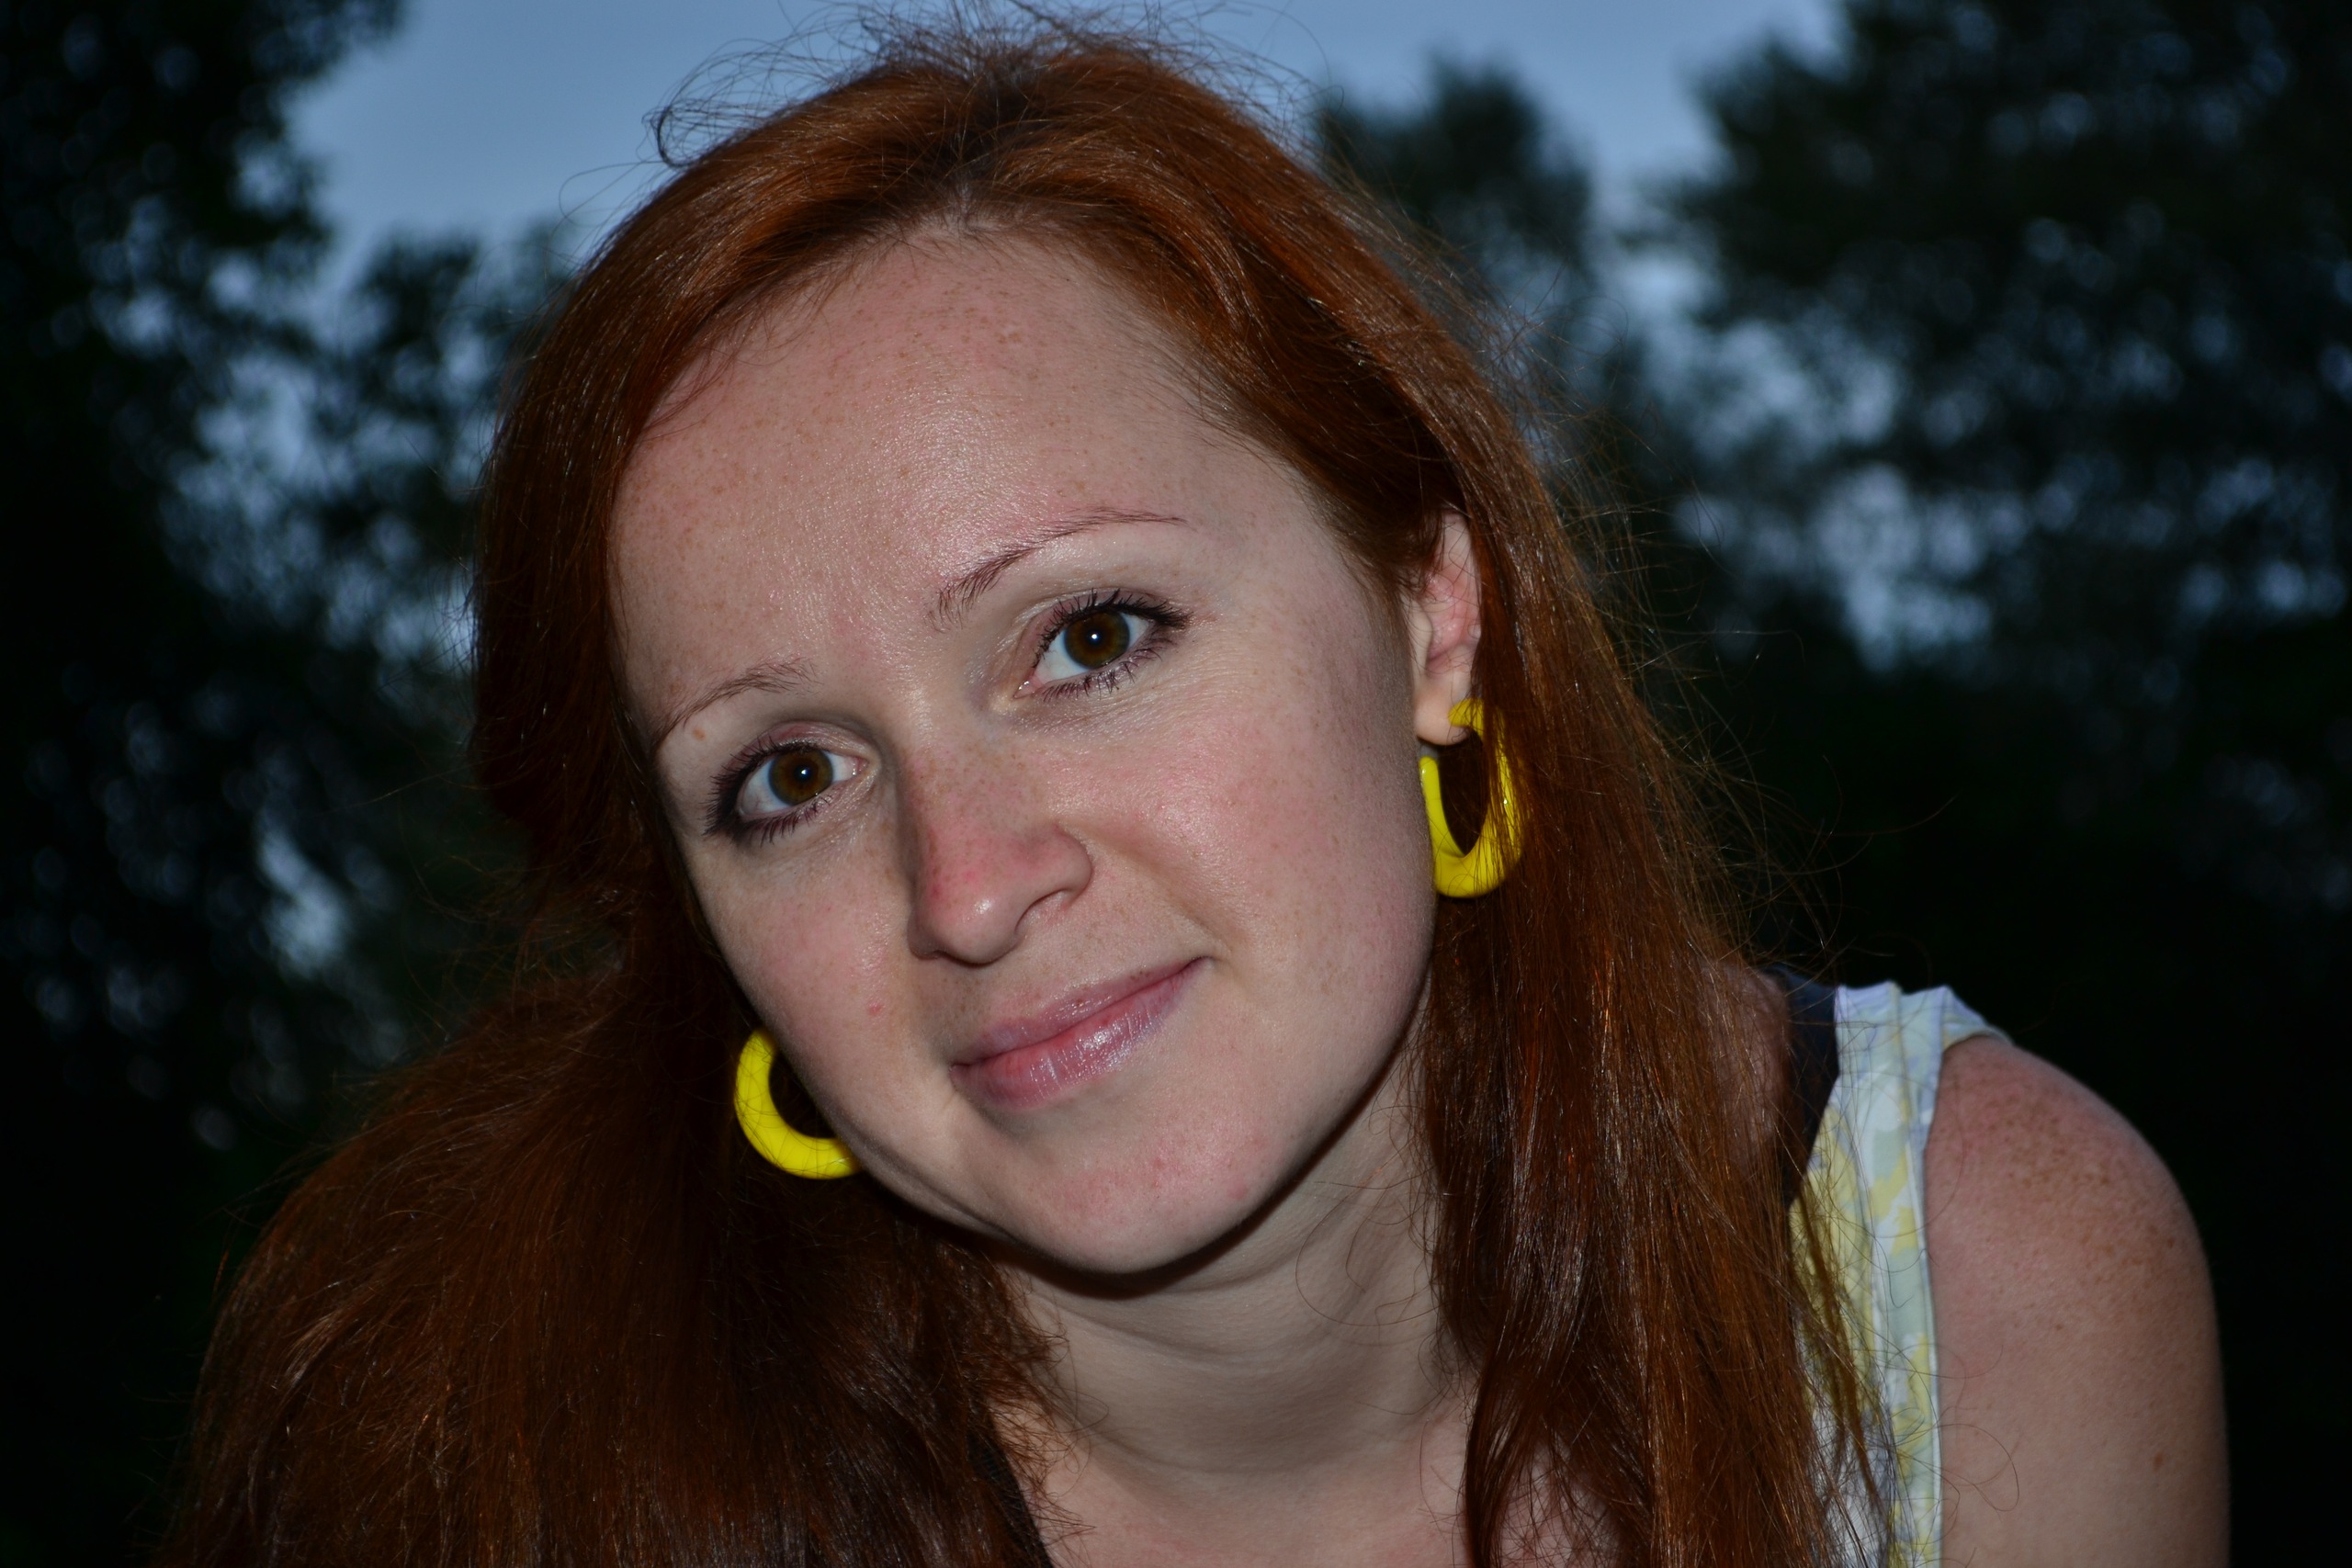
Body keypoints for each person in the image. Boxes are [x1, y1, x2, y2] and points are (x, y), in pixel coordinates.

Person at [164, 23, 2225, 1568]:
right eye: (788, 776)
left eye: (1090, 637)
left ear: (1428, 614)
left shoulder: (1979, 1289)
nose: (968, 888)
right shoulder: (470, 1463)